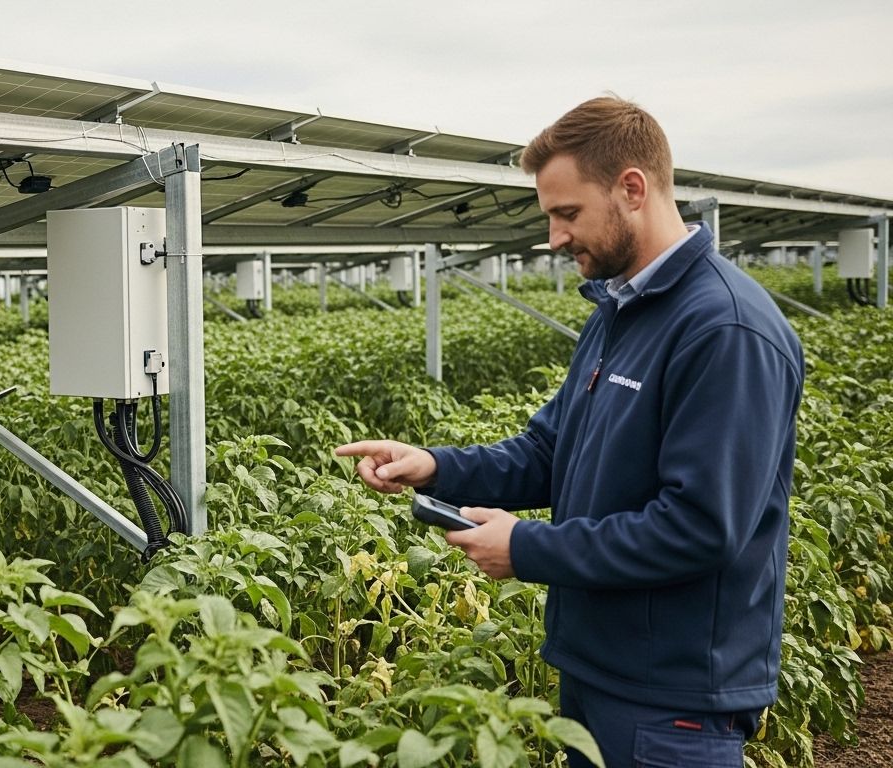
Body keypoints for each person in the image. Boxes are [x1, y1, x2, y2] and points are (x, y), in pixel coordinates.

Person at [336, 96, 804, 768]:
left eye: (567, 213)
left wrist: (527, 548)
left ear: (632, 189)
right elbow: (551, 452)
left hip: (671, 701)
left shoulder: (724, 329)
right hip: (601, 672)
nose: (554, 238)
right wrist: (434, 466)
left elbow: (701, 525)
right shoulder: (620, 311)